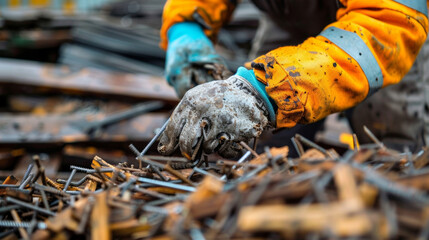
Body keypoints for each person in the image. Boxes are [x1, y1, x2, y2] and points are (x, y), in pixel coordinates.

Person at [157, 0, 429, 159]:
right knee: (257, 148)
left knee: (393, 154)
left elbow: (385, 24)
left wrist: (264, 90)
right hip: (291, 19)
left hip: (380, 34)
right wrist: (186, 24)